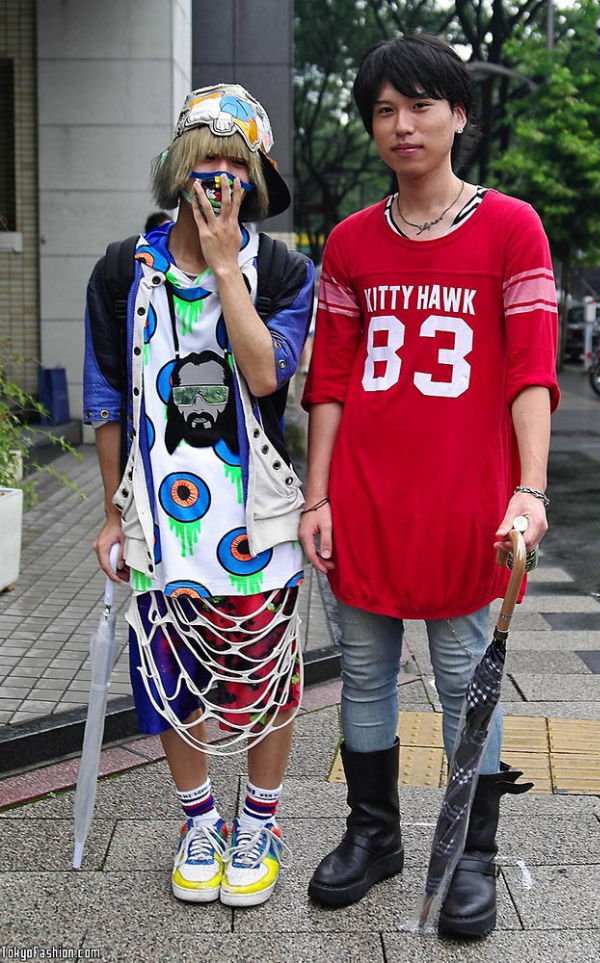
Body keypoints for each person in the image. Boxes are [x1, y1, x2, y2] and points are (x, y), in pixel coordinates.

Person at [300, 34, 560, 938]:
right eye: (384, 110)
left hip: (465, 501)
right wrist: (317, 498)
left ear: (458, 114)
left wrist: (531, 489)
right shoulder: (349, 241)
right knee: (365, 672)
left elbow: (531, 371)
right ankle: (374, 835)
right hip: (364, 496)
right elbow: (329, 381)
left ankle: (470, 852)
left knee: (464, 677)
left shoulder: (512, 228)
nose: (402, 125)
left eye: (419, 105)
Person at [84, 84, 314, 908]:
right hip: (161, 521)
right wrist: (111, 513)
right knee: (173, 680)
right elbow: (106, 399)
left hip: (256, 522)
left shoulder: (282, 271)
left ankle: (260, 822)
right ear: (177, 167)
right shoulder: (123, 270)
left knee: (264, 676)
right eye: (204, 160)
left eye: (236, 164)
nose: (219, 177)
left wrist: (224, 266)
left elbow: (266, 372)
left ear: (256, 179)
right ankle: (199, 822)